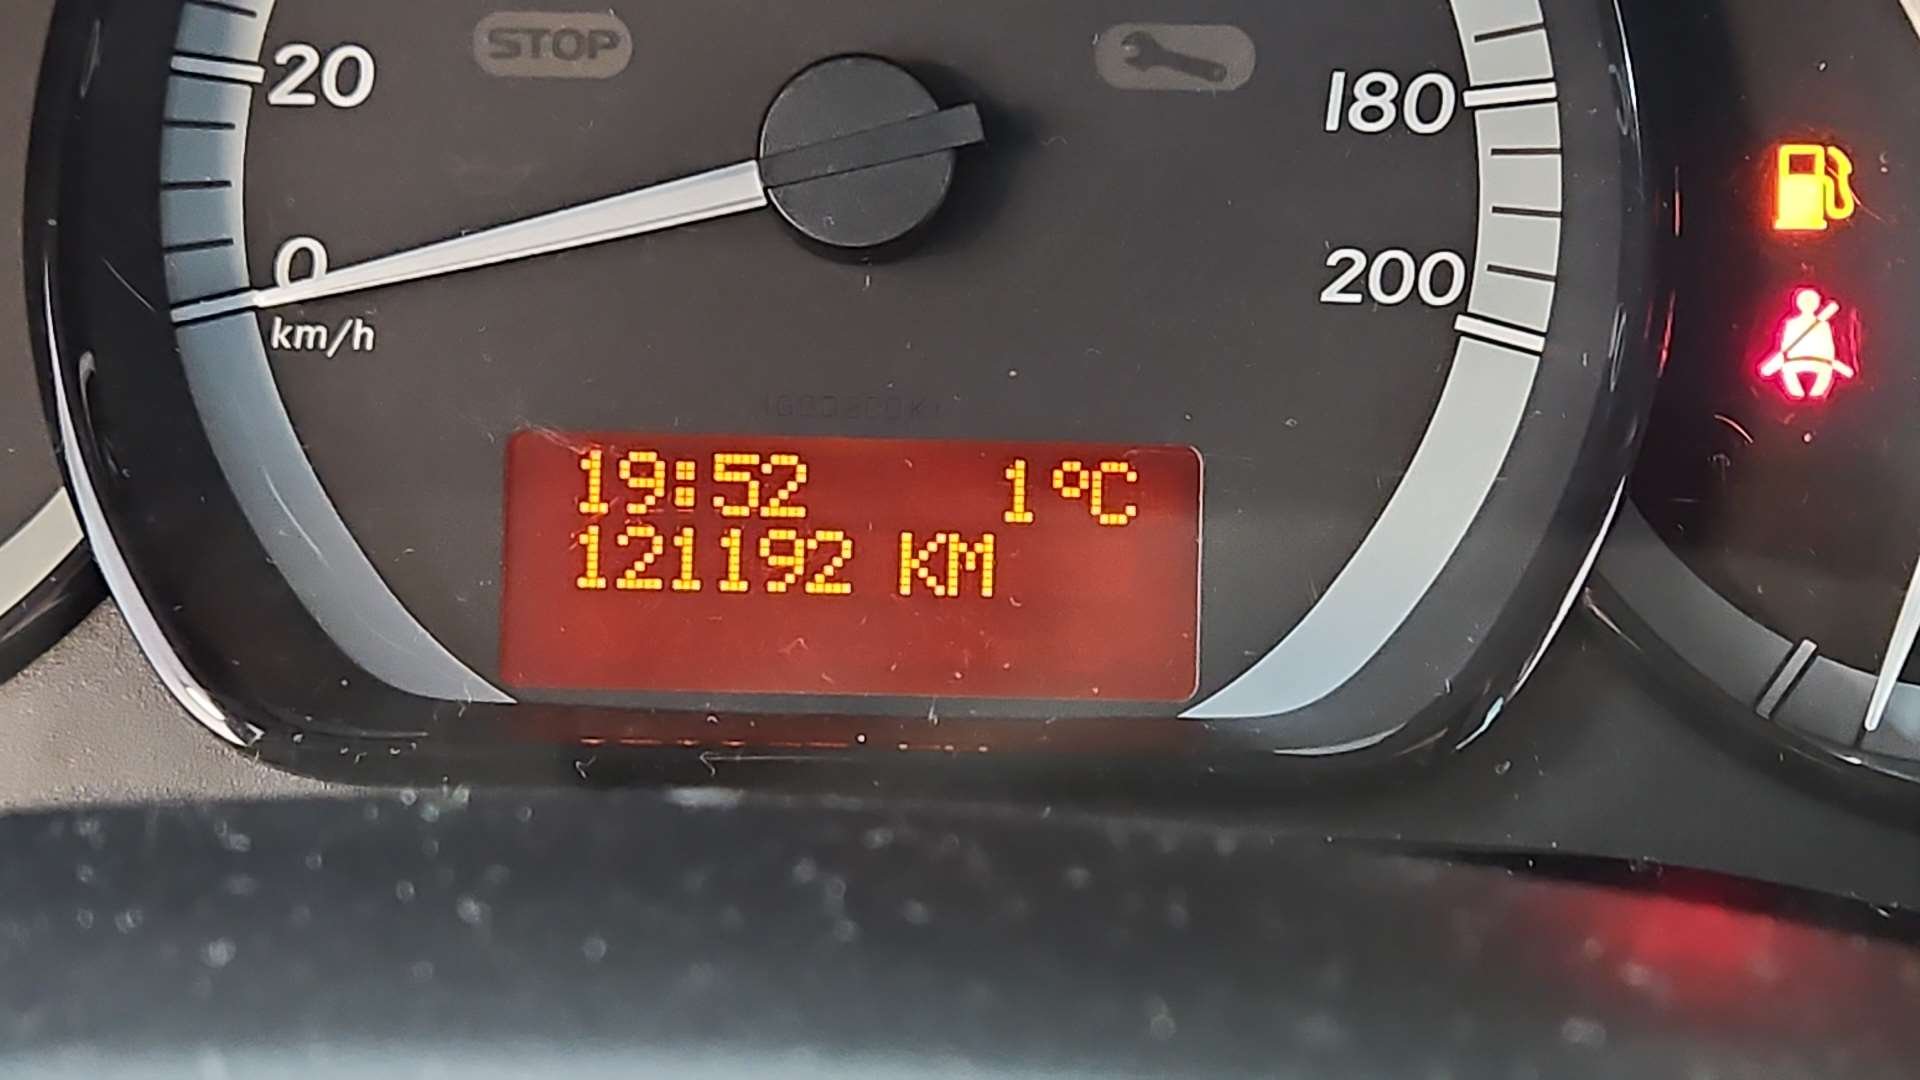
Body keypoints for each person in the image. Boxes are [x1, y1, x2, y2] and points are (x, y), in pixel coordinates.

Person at [1758, 288, 1853, 400]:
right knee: (1817, 372)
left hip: (1814, 361)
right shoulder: (1794, 324)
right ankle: (1806, 392)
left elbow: (1828, 346)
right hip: (1803, 361)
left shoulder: (1820, 325)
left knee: (1793, 371)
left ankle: (1808, 393)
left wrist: (1830, 360)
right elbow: (1829, 348)